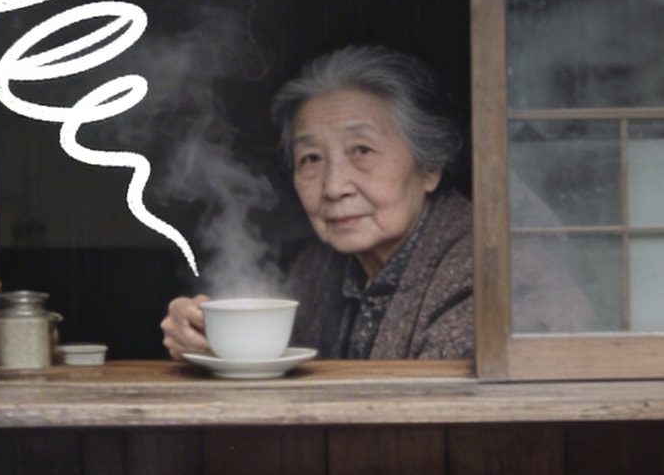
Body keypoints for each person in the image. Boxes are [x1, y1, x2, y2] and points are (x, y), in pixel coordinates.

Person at [162, 45, 473, 360]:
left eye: (362, 151)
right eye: (311, 158)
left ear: (430, 168)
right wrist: (206, 339)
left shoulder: (478, 271)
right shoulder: (314, 269)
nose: (334, 188)